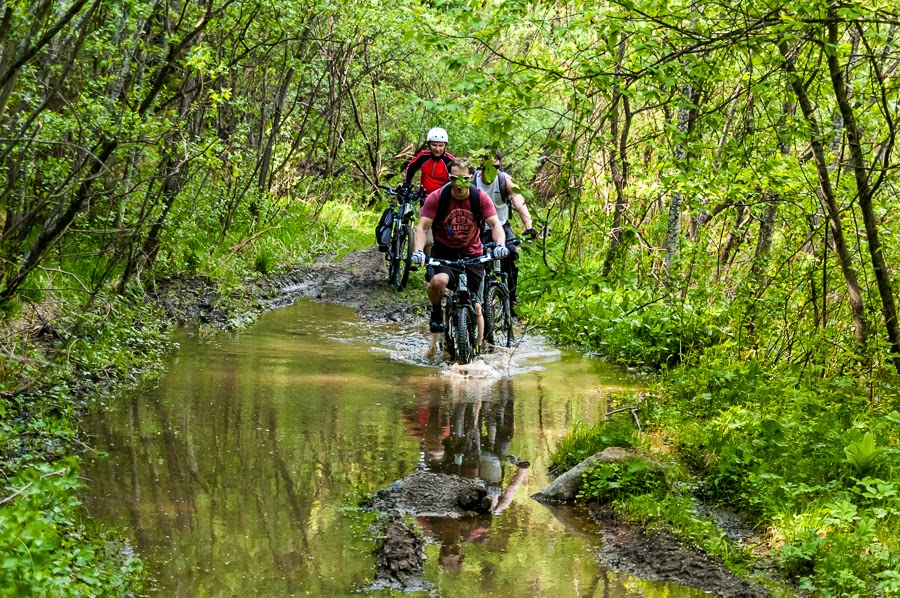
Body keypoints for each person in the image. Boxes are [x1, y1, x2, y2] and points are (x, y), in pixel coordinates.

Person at [411, 159, 508, 340]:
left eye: (463, 179)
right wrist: (418, 251)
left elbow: (495, 225)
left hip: (472, 254)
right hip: (445, 253)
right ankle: (437, 312)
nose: (458, 184)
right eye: (454, 178)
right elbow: (422, 228)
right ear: (450, 178)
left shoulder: (480, 198)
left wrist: (500, 245)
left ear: (471, 178)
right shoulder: (437, 197)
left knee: (477, 306)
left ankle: (477, 349)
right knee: (438, 281)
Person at [474, 147, 537, 314]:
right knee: (473, 256)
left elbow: (519, 199)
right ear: (481, 165)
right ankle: (472, 298)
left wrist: (528, 226)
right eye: (488, 167)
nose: (491, 171)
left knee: (511, 252)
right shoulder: (472, 181)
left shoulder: (504, 180)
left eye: (495, 167)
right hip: (479, 227)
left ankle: (511, 297)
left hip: (501, 225)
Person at [403, 127, 454, 195]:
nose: (437, 149)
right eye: (434, 145)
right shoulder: (423, 156)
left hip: (442, 197)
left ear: (445, 146)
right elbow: (410, 168)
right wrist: (406, 185)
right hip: (424, 197)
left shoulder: (450, 160)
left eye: (441, 146)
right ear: (429, 145)